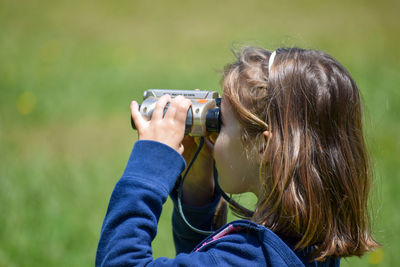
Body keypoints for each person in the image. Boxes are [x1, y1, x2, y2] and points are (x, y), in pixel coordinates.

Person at [96, 47, 379, 266]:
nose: (214, 135)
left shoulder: (248, 258)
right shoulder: (306, 243)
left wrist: (149, 166)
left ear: (263, 148)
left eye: (222, 123)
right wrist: (197, 188)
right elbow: (205, 257)